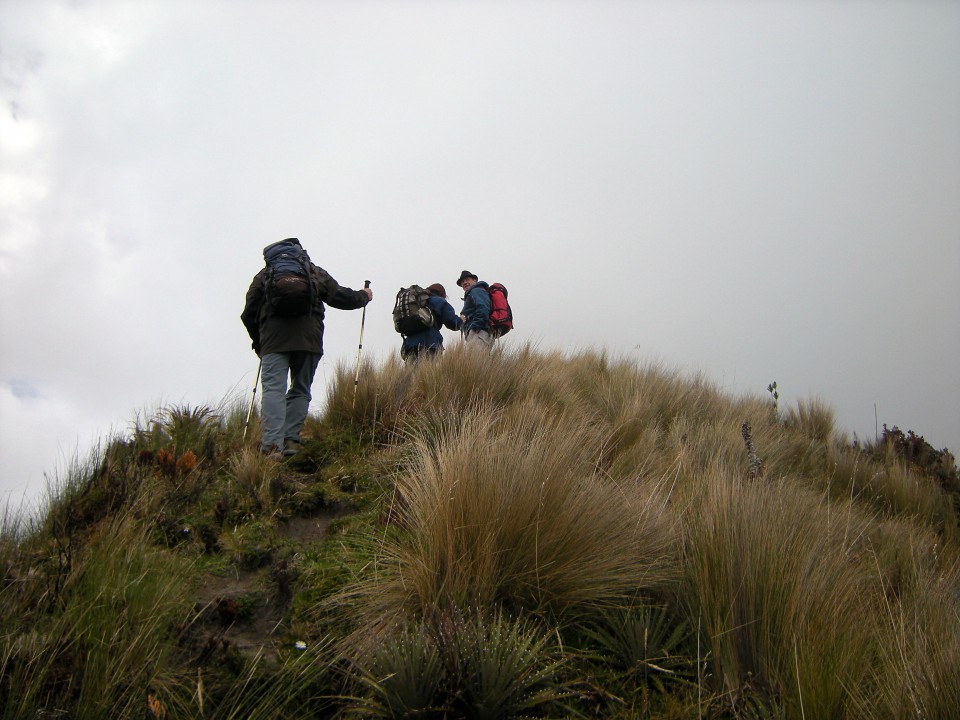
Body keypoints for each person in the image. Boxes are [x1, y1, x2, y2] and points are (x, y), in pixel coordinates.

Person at [241, 238, 372, 458]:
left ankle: (272, 446)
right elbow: (339, 296)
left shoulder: (265, 274)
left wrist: (259, 342)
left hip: (274, 340)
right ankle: (290, 440)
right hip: (309, 339)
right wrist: (363, 297)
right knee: (301, 388)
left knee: (274, 390)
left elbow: (249, 312)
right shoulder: (312, 271)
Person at [400, 283, 462, 363]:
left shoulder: (417, 302)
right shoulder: (439, 301)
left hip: (410, 346)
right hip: (430, 344)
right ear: (442, 294)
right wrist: (461, 320)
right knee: (428, 374)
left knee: (411, 374)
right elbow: (452, 323)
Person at [456, 270, 493, 348]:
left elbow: (483, 308)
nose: (464, 283)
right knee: (479, 359)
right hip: (479, 332)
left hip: (479, 332)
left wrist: (475, 327)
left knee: (475, 358)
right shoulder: (473, 292)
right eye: (462, 282)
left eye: (467, 280)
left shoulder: (476, 290)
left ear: (474, 280)